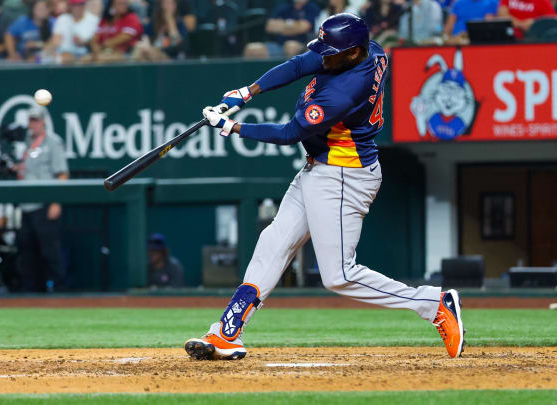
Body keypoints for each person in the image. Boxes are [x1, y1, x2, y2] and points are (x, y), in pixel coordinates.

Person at [185, 13, 465, 361]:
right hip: (320, 168)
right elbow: (299, 64)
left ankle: (432, 303)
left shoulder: (347, 89)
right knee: (273, 242)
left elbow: (290, 133)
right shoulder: (365, 49)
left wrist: (232, 127)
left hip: (344, 175)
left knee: (340, 276)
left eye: (331, 52)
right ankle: (228, 332)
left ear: (351, 53)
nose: (324, 56)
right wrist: (247, 92)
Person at [15, 107, 69, 293]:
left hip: (45, 202)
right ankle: (32, 291)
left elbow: (61, 174)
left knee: (50, 250)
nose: (33, 124)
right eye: (31, 120)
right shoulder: (27, 143)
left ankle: (60, 288)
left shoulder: (53, 142)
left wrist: (56, 202)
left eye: (36, 120)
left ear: (43, 121)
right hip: (26, 204)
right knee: (27, 250)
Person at [244, 0, 321, 59]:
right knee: (250, 49)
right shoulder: (284, 6)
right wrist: (294, 26)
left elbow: (303, 28)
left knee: (290, 46)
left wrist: (283, 26)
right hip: (279, 44)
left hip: (302, 45)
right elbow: (269, 27)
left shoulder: (312, 8)